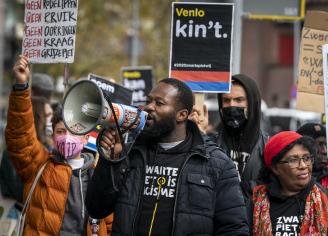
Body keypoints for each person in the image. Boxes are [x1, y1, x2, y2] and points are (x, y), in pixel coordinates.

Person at [85, 78, 249, 235]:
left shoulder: (215, 163)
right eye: (148, 101)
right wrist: (110, 161)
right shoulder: (131, 154)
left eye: (159, 103)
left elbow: (233, 228)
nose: (149, 107)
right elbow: (96, 208)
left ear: (182, 115)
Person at [5, 55, 112, 235]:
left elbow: (109, 225)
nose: (66, 137)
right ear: (53, 136)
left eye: (73, 131)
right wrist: (21, 86)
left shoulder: (99, 177)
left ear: (86, 137)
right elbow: (20, 135)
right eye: (61, 131)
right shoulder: (39, 165)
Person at [244, 131, 328, 236]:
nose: (303, 165)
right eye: (293, 160)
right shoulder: (256, 203)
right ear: (275, 167)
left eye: (306, 158)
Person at [215, 74, 268, 182]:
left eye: (239, 100)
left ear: (252, 103)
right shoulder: (212, 143)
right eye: (226, 100)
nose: (231, 105)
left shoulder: (267, 146)